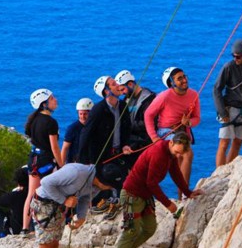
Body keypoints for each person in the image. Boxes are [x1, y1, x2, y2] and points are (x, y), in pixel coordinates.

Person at [111, 132, 205, 248]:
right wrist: (168, 204)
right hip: (132, 194)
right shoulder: (158, 154)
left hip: (145, 196)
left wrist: (188, 192)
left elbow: (175, 172)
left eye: (181, 154)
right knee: (131, 230)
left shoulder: (170, 154)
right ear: (171, 143)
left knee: (149, 228)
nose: (178, 155)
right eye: (177, 152)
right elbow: (151, 183)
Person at [78, 76, 132, 218]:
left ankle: (116, 204)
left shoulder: (123, 106)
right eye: (114, 84)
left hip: (119, 154)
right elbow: (86, 134)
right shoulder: (98, 110)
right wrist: (82, 161)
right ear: (107, 91)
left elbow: (127, 130)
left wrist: (127, 145)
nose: (118, 85)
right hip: (101, 157)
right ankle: (113, 206)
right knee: (112, 178)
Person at [144, 66, 201, 198]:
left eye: (184, 76)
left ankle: (181, 195)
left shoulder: (193, 95)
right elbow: (148, 114)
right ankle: (185, 193)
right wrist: (154, 137)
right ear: (172, 82)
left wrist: (189, 122)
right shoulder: (164, 96)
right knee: (186, 154)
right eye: (179, 78)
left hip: (182, 131)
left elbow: (197, 117)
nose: (184, 80)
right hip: (166, 132)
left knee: (183, 157)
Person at [22, 89, 64, 235]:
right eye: (52, 98)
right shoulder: (51, 122)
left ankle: (25, 228)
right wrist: (61, 165)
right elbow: (54, 147)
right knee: (52, 191)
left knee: (31, 194)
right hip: (46, 161)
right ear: (44, 103)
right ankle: (50, 223)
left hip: (33, 159)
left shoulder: (33, 120)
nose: (56, 100)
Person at [115, 69, 156, 167]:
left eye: (122, 89)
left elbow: (149, 123)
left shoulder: (148, 99)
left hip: (144, 141)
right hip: (132, 139)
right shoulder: (127, 99)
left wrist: (128, 125)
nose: (122, 93)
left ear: (130, 84)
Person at [61, 98, 93, 164]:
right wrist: (61, 165)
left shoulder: (94, 126)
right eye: (80, 114)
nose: (83, 116)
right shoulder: (72, 128)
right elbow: (65, 148)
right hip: (75, 164)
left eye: (85, 114)